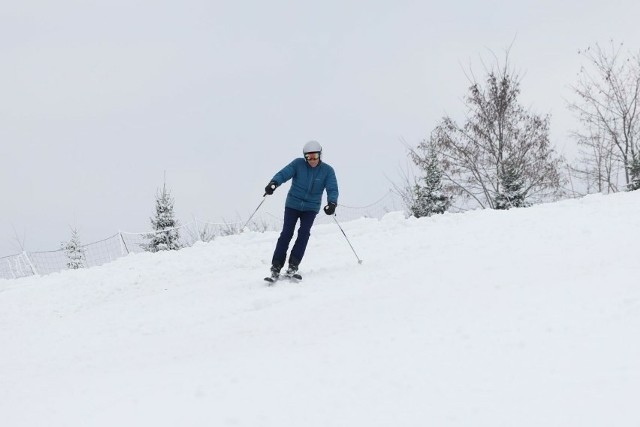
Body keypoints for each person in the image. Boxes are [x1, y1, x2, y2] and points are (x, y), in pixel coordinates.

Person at [264, 140, 339, 279]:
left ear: (320, 155)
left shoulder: (327, 171)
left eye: (315, 156)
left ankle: (293, 265)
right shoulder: (298, 164)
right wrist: (274, 183)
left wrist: (332, 203)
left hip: (311, 207)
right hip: (293, 204)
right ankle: (276, 266)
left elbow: (332, 188)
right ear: (304, 157)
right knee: (287, 233)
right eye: (309, 157)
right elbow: (284, 173)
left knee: (304, 233)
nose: (312, 160)